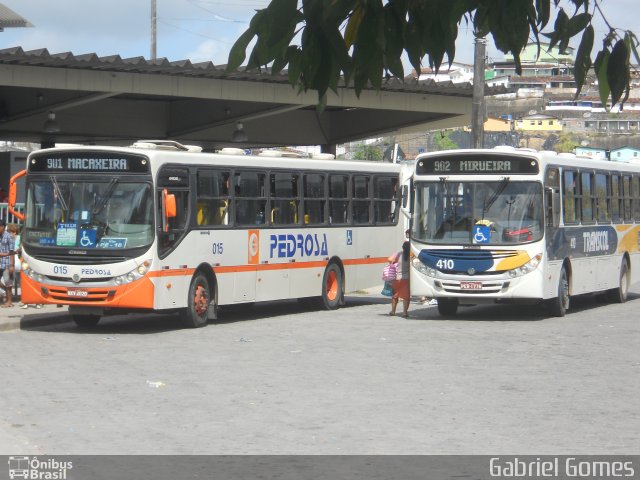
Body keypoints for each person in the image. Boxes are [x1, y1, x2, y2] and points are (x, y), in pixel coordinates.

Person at [388, 239, 410, 318]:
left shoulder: (399, 254)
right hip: (406, 279)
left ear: (403, 247)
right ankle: (405, 312)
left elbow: (389, 259)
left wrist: (394, 262)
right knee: (406, 297)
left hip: (397, 278)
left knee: (395, 296)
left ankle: (393, 311)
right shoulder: (411, 255)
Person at [0, 219, 16, 307]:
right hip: (0, 262)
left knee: (8, 282)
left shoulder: (9, 236)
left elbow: (12, 252)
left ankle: (9, 301)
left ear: (2, 227)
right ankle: (8, 293)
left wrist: (11, 265)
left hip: (7, 263)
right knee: (6, 284)